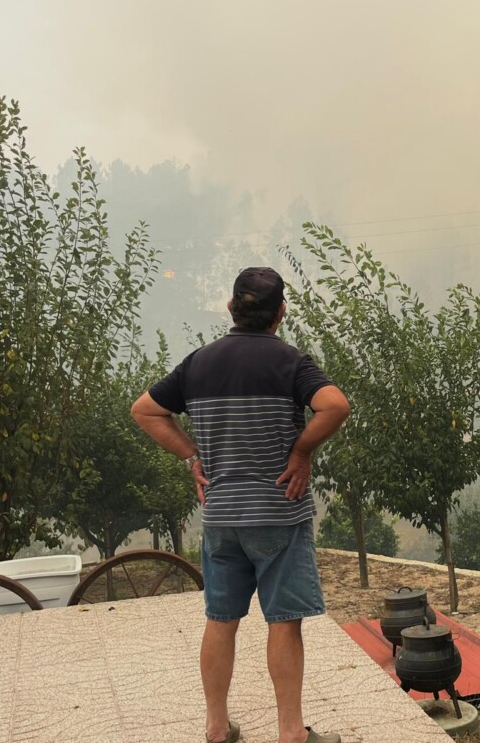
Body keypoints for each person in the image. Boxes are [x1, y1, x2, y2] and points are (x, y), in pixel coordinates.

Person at [131, 267, 350, 743]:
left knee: (221, 619)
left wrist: (192, 454)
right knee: (284, 622)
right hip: (279, 512)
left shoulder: (199, 363)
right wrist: (300, 451)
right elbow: (335, 405)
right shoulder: (291, 363)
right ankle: (291, 733)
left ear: (231, 309)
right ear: (281, 313)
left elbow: (144, 409)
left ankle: (216, 728)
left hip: (222, 516)